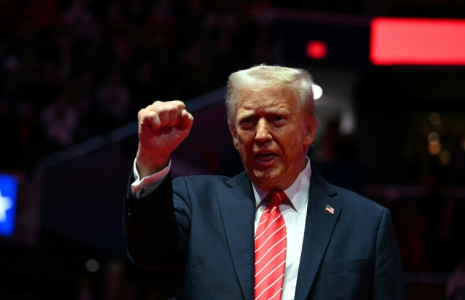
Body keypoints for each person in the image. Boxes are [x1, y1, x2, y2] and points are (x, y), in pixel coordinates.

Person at [123, 65, 407, 300]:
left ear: (308, 131)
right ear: (234, 136)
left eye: (277, 119)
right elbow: (148, 253)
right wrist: (152, 157)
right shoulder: (197, 203)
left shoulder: (367, 223)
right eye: (248, 122)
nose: (261, 134)